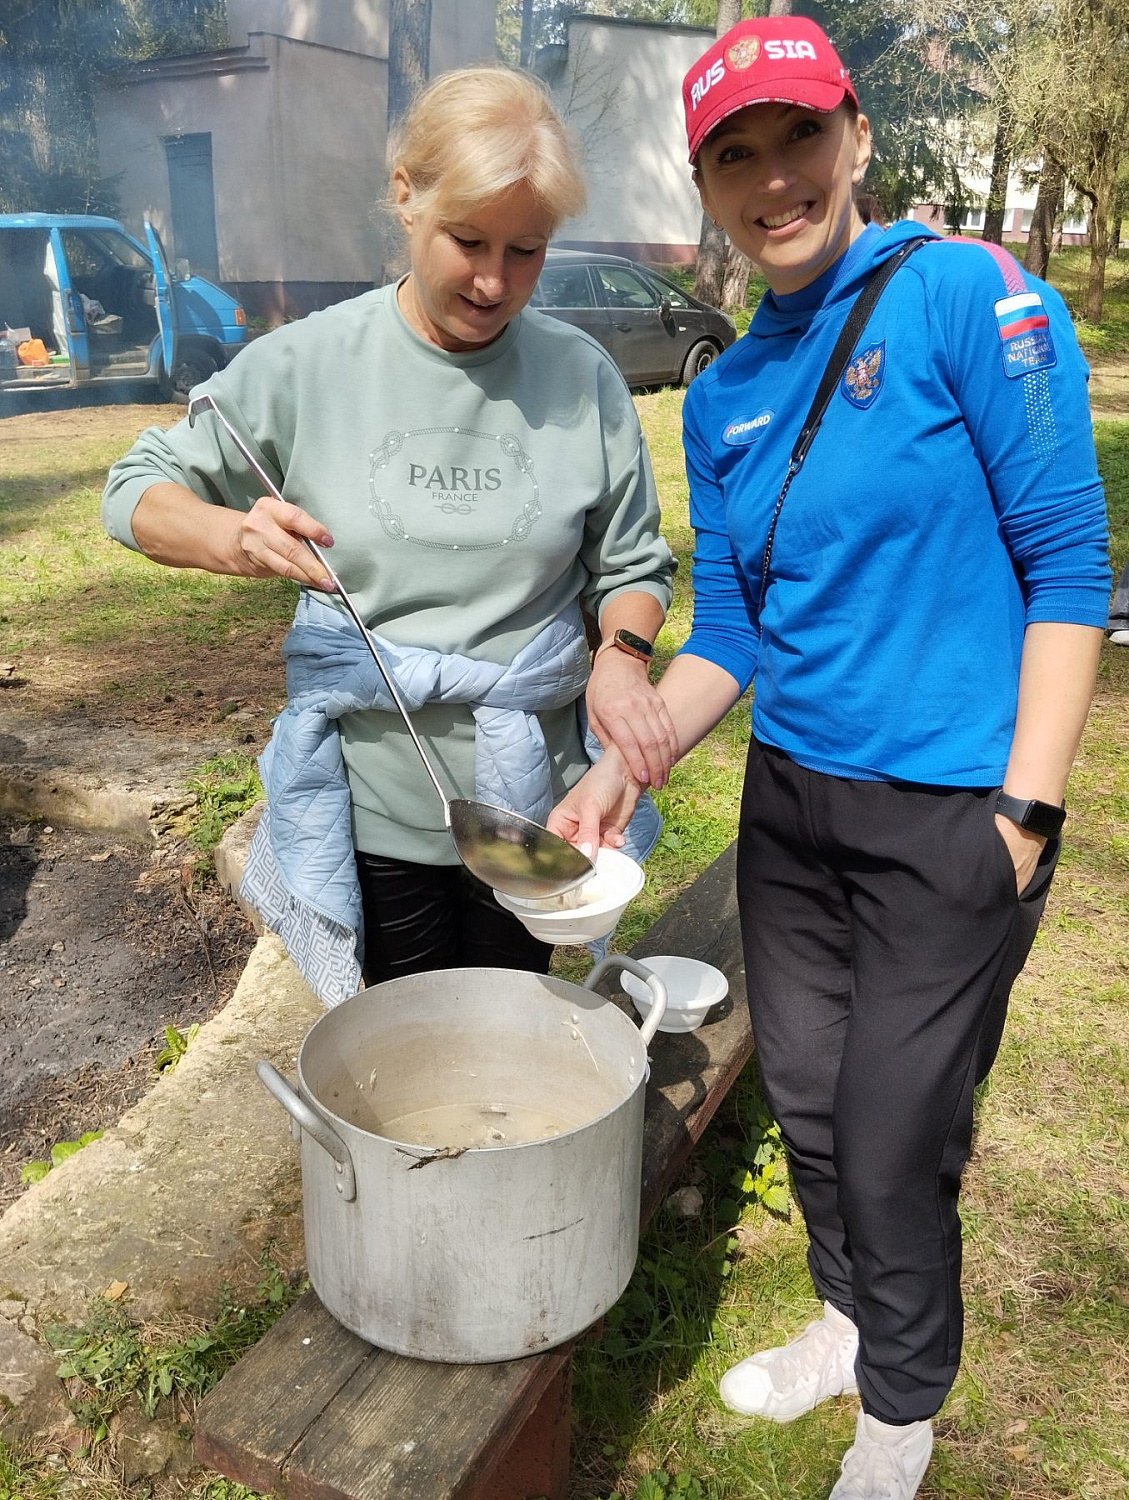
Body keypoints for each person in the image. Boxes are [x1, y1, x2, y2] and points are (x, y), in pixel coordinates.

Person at [549, 16, 1109, 1499]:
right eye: (737, 155)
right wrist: (634, 756)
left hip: (956, 814)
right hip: (791, 810)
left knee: (888, 1137)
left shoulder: (967, 300)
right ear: (707, 188)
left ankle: (900, 1408)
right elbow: (735, 620)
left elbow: (1066, 569)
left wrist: (1025, 813)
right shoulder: (726, 392)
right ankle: (852, 1324)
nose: (775, 178)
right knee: (806, 1096)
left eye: (799, 136)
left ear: (855, 135)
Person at [102, 66, 676, 1007]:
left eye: (526, 250)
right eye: (468, 241)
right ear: (405, 197)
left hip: (535, 809)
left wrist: (621, 651)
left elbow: (632, 562)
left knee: (509, 1023)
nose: (495, 282)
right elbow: (134, 490)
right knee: (408, 1038)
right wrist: (230, 535)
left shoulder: (581, 377)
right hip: (371, 809)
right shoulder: (304, 364)